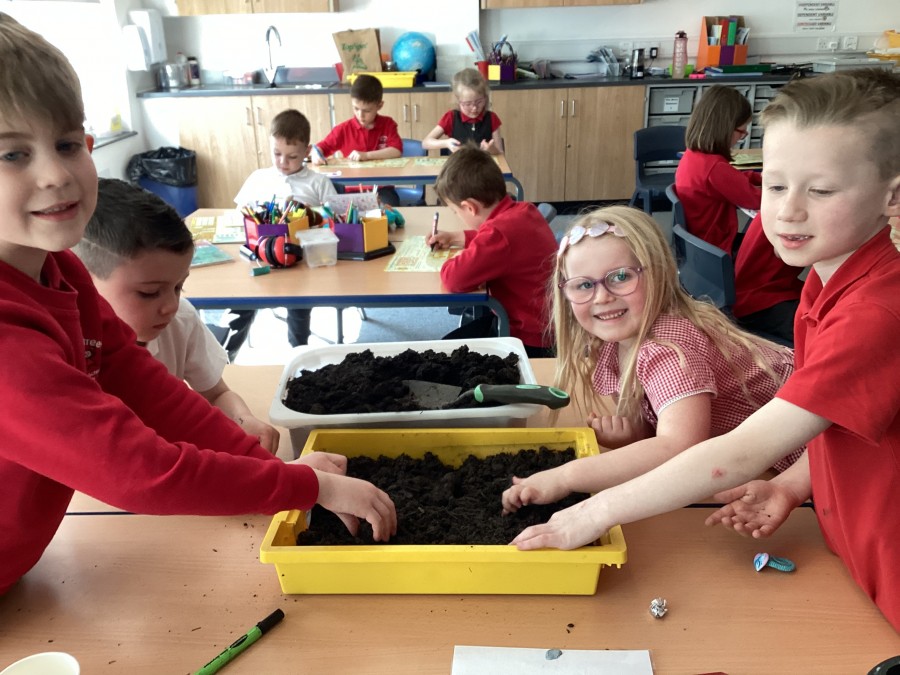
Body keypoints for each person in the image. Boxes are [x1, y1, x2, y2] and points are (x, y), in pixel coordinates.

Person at [0, 13, 395, 595]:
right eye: (12, 154)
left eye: (65, 144)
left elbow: (147, 388)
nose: (56, 174)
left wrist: (274, 471)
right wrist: (305, 487)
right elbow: (140, 471)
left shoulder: (58, 271)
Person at [510, 70, 900, 632]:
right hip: (844, 528)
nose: (788, 211)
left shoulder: (875, 314)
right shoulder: (822, 284)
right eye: (774, 186)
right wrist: (793, 484)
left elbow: (738, 452)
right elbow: (829, 424)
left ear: (892, 195)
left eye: (820, 190)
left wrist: (590, 510)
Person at [501, 205, 801, 515]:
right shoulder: (617, 337)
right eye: (584, 285)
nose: (602, 297)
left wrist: (567, 477)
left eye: (620, 277)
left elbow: (679, 446)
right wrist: (639, 434)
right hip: (763, 449)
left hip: (810, 446)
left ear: (657, 273)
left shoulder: (666, 348)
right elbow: (673, 430)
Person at [73, 178, 281, 452]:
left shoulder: (180, 319)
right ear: (81, 280)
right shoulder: (68, 347)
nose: (171, 305)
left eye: (179, 286)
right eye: (149, 293)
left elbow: (217, 394)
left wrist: (243, 420)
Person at [227, 109, 337, 359]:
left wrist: (313, 215)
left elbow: (333, 219)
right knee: (240, 303)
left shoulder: (318, 183)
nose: (282, 162)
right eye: (276, 154)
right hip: (258, 259)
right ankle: (225, 357)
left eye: (292, 156)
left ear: (307, 151)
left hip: (298, 262)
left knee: (298, 305)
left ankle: (298, 353)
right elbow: (239, 215)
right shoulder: (259, 178)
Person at [427, 145, 556, 357]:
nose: (458, 216)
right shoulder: (523, 210)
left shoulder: (498, 234)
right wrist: (455, 237)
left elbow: (453, 279)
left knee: (445, 355)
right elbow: (497, 242)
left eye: (456, 212)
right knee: (449, 345)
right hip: (544, 324)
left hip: (527, 338)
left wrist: (457, 258)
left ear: (470, 207)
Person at [675, 84, 761, 256]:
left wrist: (758, 177)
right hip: (716, 248)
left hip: (699, 244)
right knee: (779, 249)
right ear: (725, 129)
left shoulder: (694, 156)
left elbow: (733, 180)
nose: (742, 137)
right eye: (741, 131)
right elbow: (756, 200)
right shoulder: (715, 168)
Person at [310, 74, 402, 206]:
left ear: (379, 105)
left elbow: (396, 150)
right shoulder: (343, 129)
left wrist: (366, 155)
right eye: (356, 108)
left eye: (367, 111)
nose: (360, 115)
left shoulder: (388, 124)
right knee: (337, 209)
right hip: (350, 189)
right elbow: (321, 147)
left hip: (381, 188)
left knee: (389, 209)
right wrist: (316, 154)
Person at [732, 213, 804, 346]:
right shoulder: (792, 221)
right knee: (817, 331)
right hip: (760, 301)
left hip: (745, 290)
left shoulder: (769, 211)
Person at [422, 67, 504, 155]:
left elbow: (500, 153)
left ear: (485, 97)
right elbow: (425, 143)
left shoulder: (491, 118)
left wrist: (491, 150)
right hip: (458, 163)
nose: (474, 108)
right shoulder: (451, 117)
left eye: (479, 102)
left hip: (483, 163)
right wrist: (446, 143)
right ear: (458, 101)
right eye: (468, 104)